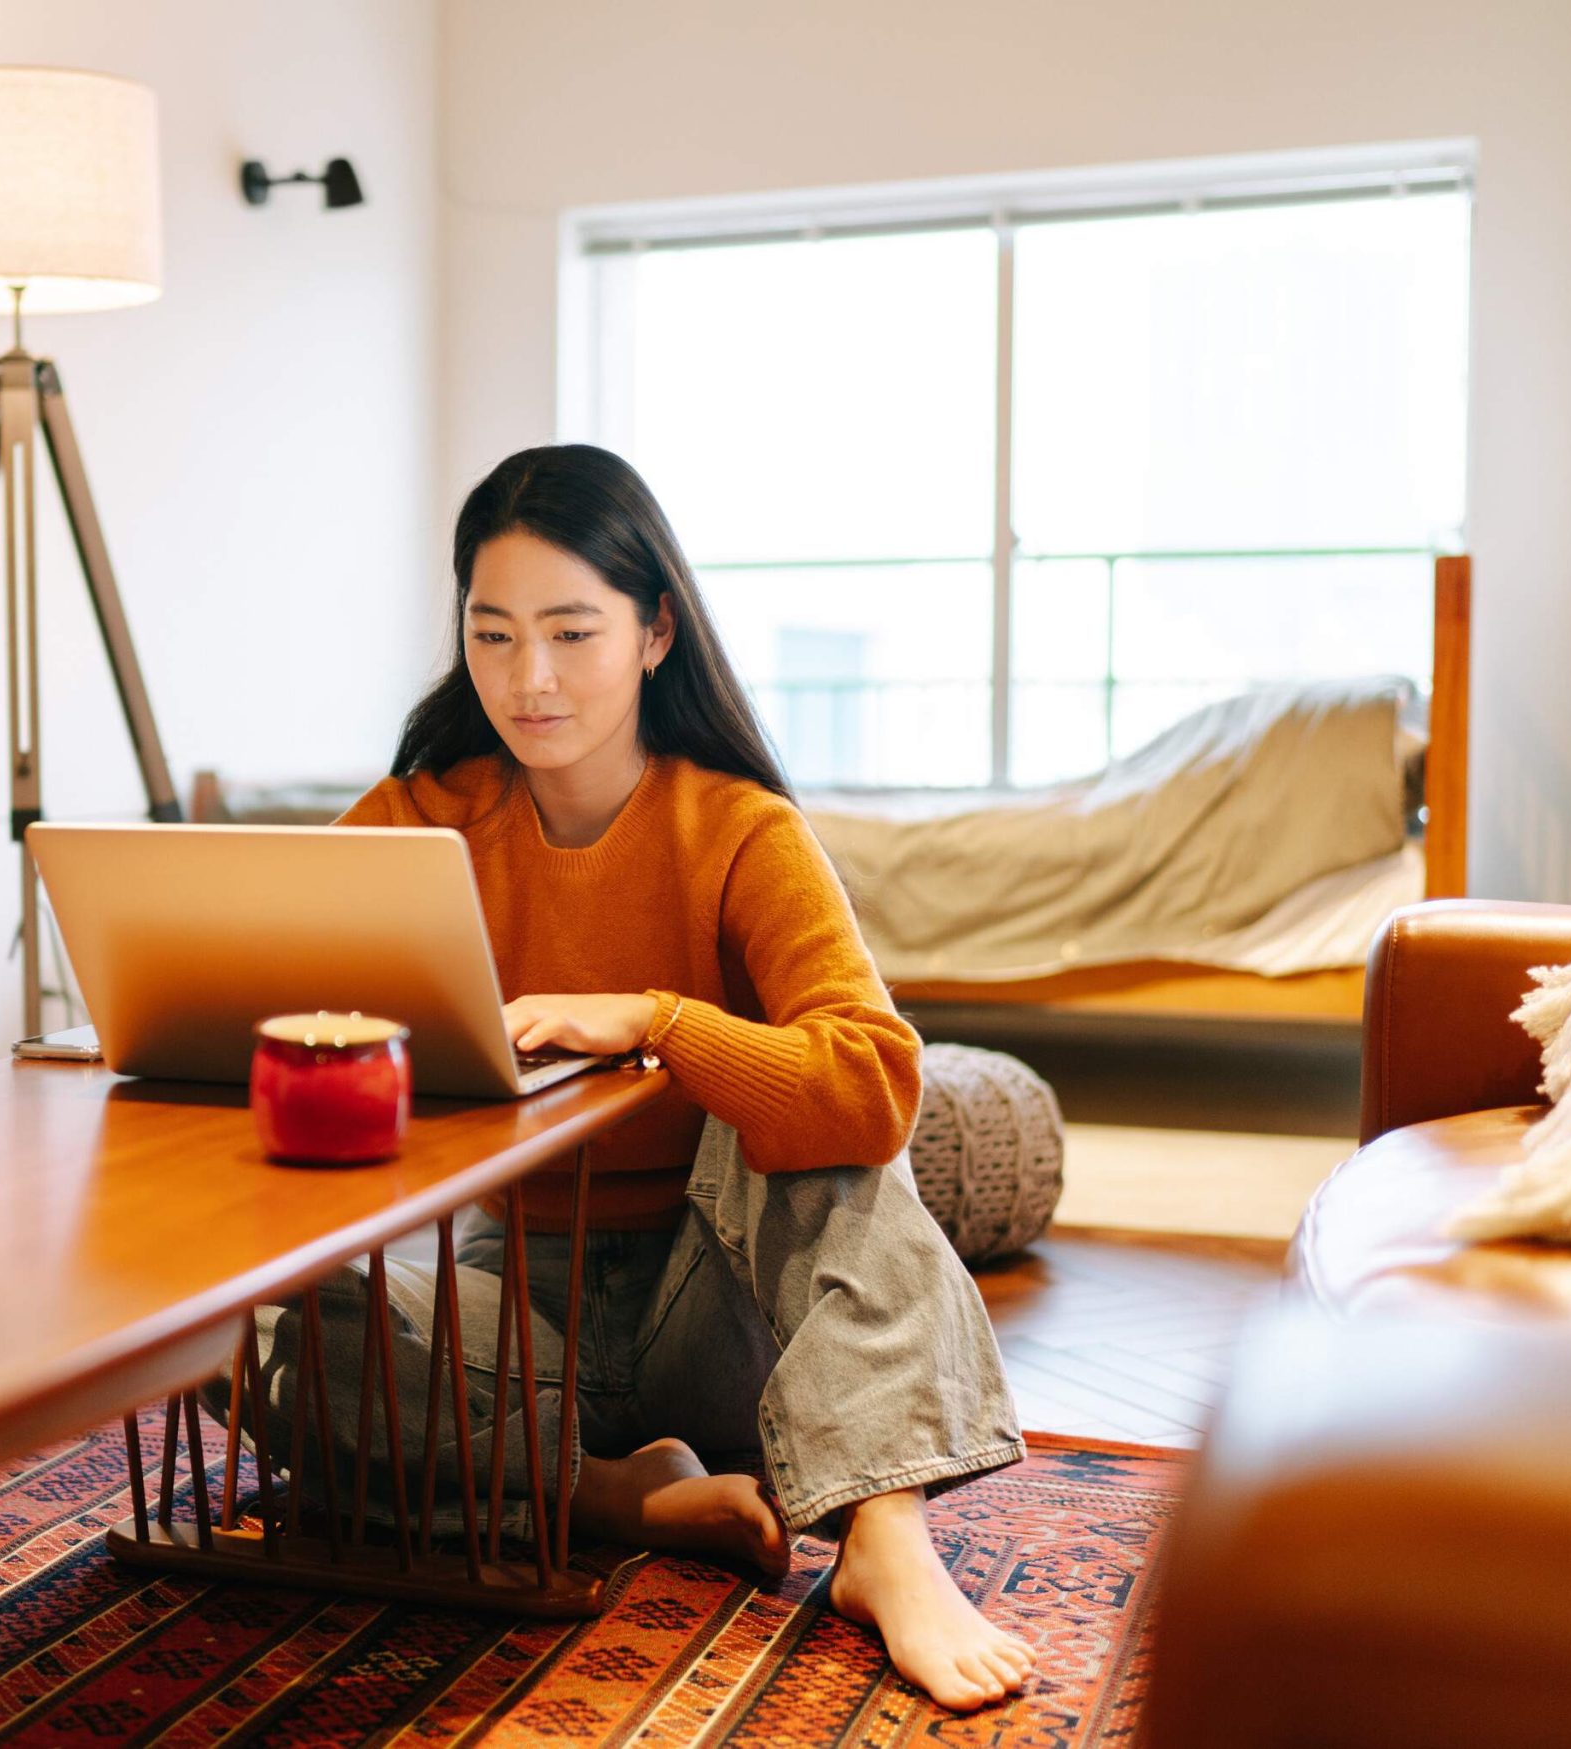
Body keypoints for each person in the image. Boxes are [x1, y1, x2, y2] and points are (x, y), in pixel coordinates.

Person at [263, 443, 1032, 1711]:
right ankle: (600, 1490)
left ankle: (885, 1537)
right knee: (244, 1328)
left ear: (656, 630)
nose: (531, 677)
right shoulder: (415, 820)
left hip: (714, 1310)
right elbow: (276, 998)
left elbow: (878, 1087)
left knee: (801, 1113)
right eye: (493, 634)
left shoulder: (736, 830)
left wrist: (664, 1023)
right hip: (504, 1312)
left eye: (571, 631)